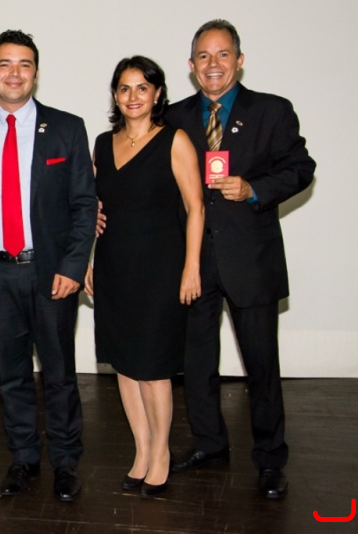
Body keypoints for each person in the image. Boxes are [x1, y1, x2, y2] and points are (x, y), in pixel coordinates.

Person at [165, 19, 316, 499]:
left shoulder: (271, 111)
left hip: (251, 260)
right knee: (197, 363)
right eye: (203, 56)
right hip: (192, 261)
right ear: (191, 66)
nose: (213, 64)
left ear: (240, 60)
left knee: (261, 366)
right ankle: (209, 444)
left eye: (223, 54)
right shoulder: (173, 116)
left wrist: (254, 189)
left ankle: (270, 458)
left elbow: (301, 168)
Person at [0, 30, 96, 502]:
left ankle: (65, 462)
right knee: (12, 375)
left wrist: (73, 267)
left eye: (24, 64)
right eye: (4, 64)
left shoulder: (66, 127)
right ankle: (23, 459)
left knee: (59, 374)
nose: (14, 73)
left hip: (50, 272)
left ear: (36, 73)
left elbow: (84, 203)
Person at [85, 56, 204, 498]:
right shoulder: (102, 144)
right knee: (125, 365)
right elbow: (92, 207)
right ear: (115, 95)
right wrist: (87, 259)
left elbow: (196, 207)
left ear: (157, 94)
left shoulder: (174, 140)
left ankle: (162, 453)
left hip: (161, 271)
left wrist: (192, 267)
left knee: (152, 368)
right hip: (114, 267)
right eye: (124, 88)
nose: (132, 96)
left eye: (142, 87)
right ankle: (141, 450)